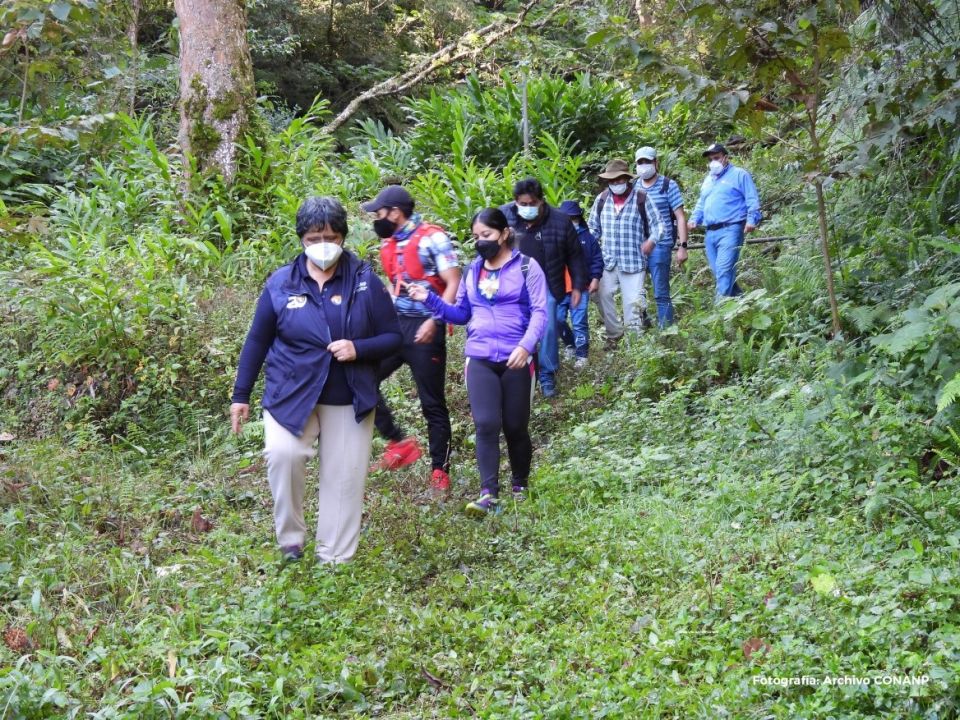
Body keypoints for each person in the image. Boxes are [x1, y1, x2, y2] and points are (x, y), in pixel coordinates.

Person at [230, 197, 402, 563]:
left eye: (330, 236)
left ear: (342, 237)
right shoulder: (281, 284)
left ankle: (335, 560)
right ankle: (291, 540)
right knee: (283, 455)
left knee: (343, 481)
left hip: (349, 396)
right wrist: (240, 394)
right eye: (313, 238)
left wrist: (359, 348)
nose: (322, 244)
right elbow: (257, 340)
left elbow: (393, 337)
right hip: (290, 393)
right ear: (301, 239)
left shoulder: (364, 281)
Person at [405, 208, 547, 516]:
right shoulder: (473, 271)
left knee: (515, 427)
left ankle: (520, 484)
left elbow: (540, 312)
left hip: (517, 359)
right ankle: (488, 494)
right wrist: (429, 299)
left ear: (505, 233)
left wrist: (526, 346)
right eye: (476, 237)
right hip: (480, 356)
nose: (481, 242)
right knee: (485, 424)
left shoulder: (526, 267)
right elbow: (461, 314)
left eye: (487, 235)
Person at [360, 185, 461, 494]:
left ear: (395, 212)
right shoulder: (390, 242)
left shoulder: (433, 238)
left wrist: (436, 319)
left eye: (379, 213)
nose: (376, 219)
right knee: (362, 380)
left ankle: (439, 472)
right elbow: (395, 285)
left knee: (432, 403)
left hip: (426, 326)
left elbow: (454, 282)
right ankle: (399, 443)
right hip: (396, 327)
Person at [501, 178, 586, 398]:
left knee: (547, 326)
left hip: (546, 282)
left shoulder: (560, 221)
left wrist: (577, 285)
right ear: (515, 202)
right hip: (513, 282)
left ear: (541, 201)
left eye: (532, 204)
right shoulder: (504, 217)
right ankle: (514, 371)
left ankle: (547, 374)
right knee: (512, 327)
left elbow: (575, 255)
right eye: (523, 204)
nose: (527, 208)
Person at [587, 158, 665, 345]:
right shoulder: (602, 200)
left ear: (627, 179)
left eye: (620, 180)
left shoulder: (641, 198)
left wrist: (651, 241)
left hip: (633, 261)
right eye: (612, 181)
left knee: (632, 303)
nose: (616, 184)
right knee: (600, 295)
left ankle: (634, 343)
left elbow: (659, 225)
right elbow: (593, 229)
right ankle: (614, 334)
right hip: (607, 260)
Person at [688, 142, 762, 299]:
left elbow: (752, 198)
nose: (712, 162)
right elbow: (702, 201)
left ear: (725, 158)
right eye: (710, 160)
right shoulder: (708, 179)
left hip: (731, 228)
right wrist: (694, 218)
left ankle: (719, 315)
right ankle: (743, 303)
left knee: (723, 271)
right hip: (710, 232)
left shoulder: (739, 175)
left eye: (716, 158)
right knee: (722, 274)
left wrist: (751, 219)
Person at [634, 146, 688, 327]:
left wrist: (683, 246)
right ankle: (644, 324)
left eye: (647, 162)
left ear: (656, 163)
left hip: (660, 245)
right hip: (638, 246)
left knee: (660, 292)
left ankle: (666, 331)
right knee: (636, 291)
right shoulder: (633, 187)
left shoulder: (668, 185)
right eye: (640, 162)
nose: (644, 166)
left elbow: (680, 216)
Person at [556, 200, 603, 367]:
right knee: (557, 319)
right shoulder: (553, 237)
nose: (571, 222)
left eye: (574, 218)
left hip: (580, 288)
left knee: (579, 322)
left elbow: (597, 259)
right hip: (559, 288)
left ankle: (582, 355)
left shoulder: (587, 238)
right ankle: (570, 344)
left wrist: (595, 278)